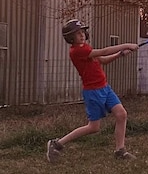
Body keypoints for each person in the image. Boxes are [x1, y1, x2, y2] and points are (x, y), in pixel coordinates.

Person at [46, 19, 139, 163]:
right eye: (77, 33)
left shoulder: (86, 47)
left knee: (121, 114)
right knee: (93, 127)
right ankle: (57, 144)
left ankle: (120, 150)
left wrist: (119, 54)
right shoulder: (78, 51)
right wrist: (127, 44)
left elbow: (103, 59)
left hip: (105, 88)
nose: (82, 35)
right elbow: (104, 51)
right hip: (93, 92)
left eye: (82, 32)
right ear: (71, 38)